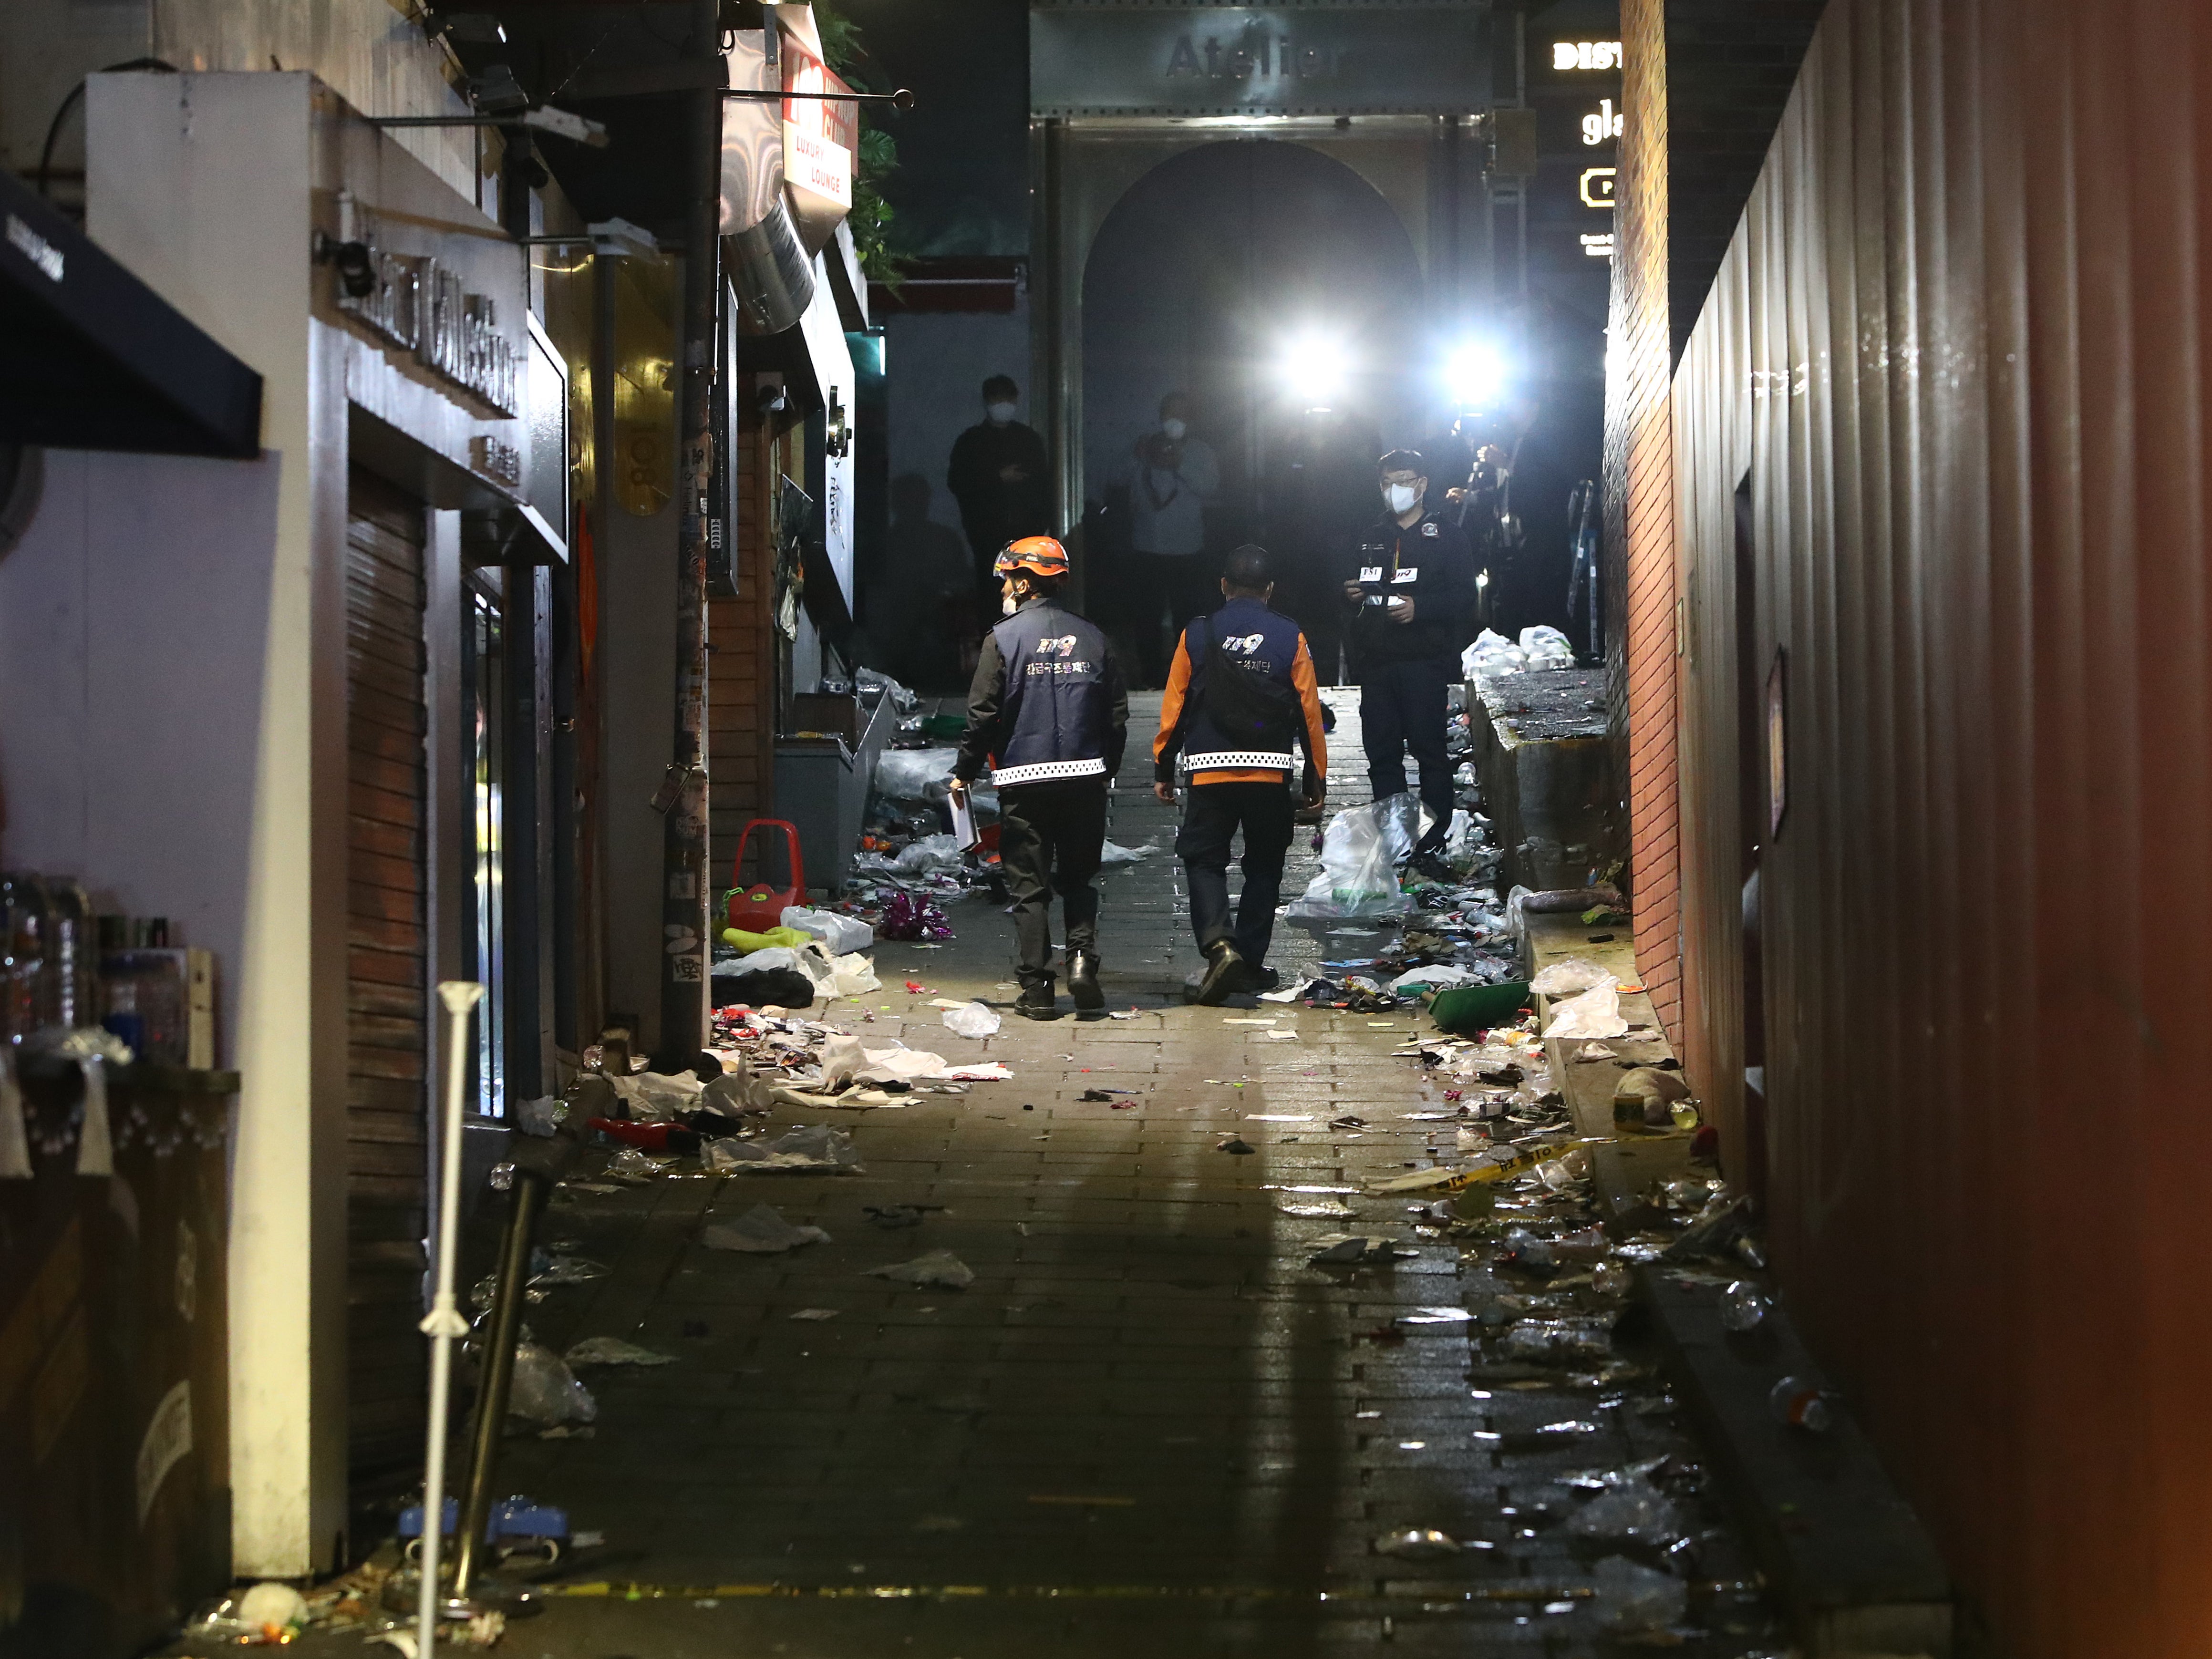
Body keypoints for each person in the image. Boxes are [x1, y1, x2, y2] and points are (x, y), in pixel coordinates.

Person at [950, 536, 1129, 1020]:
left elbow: (982, 715)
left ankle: (1038, 990)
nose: (1004, 588)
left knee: (1029, 887)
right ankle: (1081, 960)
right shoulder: (1093, 637)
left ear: (1025, 581)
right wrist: (1105, 767)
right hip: (1085, 777)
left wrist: (963, 772)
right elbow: (1116, 715)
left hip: (1025, 781)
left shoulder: (1003, 638)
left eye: (1008, 578)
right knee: (1079, 878)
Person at [1153, 544, 1329, 1005]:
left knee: (1204, 859)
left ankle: (1219, 944)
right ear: (1270, 590)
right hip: (1270, 774)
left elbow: (1176, 705)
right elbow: (1309, 713)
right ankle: (1248, 964)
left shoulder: (1197, 633)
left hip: (1209, 772)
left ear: (1224, 586)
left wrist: (1163, 765)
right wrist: (1316, 778)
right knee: (1265, 866)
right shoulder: (1290, 636)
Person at [1340, 450, 1478, 873]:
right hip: (1378, 662)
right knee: (1381, 754)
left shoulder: (1448, 536)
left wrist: (1421, 607)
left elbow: (1465, 599)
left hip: (1425, 660)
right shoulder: (1370, 536)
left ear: (1422, 484)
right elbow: (1353, 594)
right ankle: (1395, 841)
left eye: (1402, 480)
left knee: (1429, 750)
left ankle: (1433, 842)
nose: (1393, 490)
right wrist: (1354, 595)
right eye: (1386, 482)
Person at [1114, 392, 1220, 683]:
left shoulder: (1201, 451)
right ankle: (1150, 677)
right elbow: (1116, 478)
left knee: (1186, 619)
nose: (1175, 420)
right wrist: (1138, 457)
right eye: (1170, 414)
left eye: (1182, 414)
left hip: (1187, 549)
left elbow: (1210, 488)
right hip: (1146, 547)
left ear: (1190, 419)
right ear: (1161, 417)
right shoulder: (1144, 446)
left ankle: (1186, 679)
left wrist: (1180, 464)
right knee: (1145, 619)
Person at [946, 375, 1053, 620]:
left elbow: (1044, 485)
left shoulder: (1029, 440)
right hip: (987, 537)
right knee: (992, 597)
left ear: (1016, 400)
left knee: (1028, 597)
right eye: (997, 398)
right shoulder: (971, 442)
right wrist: (996, 478)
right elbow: (958, 482)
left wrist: (1041, 527)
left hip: (1027, 536)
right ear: (987, 401)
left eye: (1008, 398)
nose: (1003, 403)